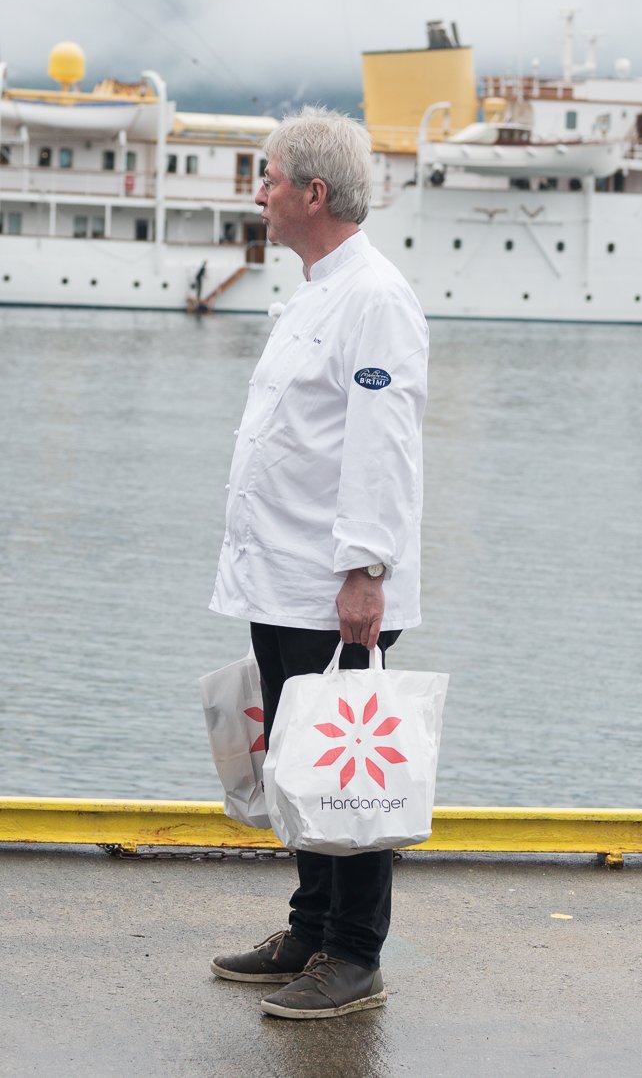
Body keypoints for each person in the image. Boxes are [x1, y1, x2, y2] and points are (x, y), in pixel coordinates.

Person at [208, 106, 429, 1020]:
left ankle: (354, 953)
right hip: (282, 574)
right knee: (298, 762)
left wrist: (366, 568)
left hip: (333, 583)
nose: (258, 192)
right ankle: (310, 925)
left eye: (268, 176)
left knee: (348, 759)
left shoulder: (375, 297)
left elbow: (383, 443)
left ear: (313, 191)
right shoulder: (311, 287)